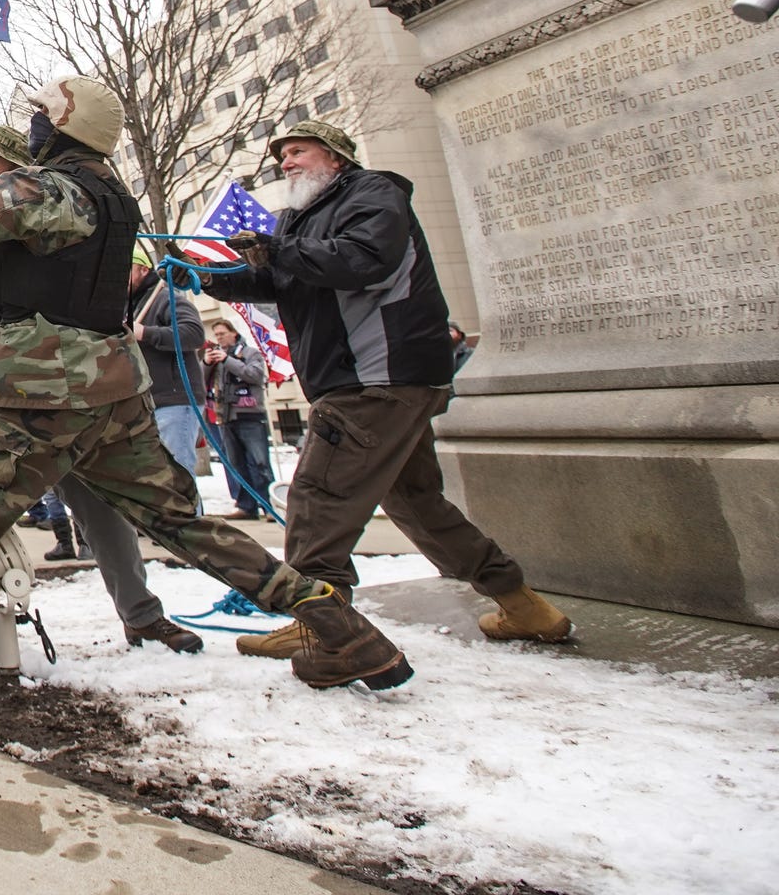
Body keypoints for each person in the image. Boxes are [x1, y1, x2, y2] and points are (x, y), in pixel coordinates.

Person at [0, 76, 414, 703]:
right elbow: (4, 214)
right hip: (112, 388)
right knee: (181, 523)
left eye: (40, 119)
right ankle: (342, 630)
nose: (33, 128)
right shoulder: (103, 190)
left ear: (64, 129)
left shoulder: (55, 188)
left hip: (44, 389)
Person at [197, 120, 574, 655]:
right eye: (282, 157)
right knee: (417, 504)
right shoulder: (298, 220)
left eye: (297, 152)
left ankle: (322, 625)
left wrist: (275, 250)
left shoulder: (374, 192)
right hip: (370, 378)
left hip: (376, 375)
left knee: (318, 498)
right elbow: (279, 282)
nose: (286, 164)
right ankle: (524, 605)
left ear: (334, 155)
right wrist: (212, 276)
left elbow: (363, 261)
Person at [0, 125, 203, 659]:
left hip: (46, 396)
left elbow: (0, 211)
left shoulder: (53, 221)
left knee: (101, 508)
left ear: (28, 175)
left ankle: (143, 617)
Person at [131, 247, 209, 513]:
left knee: (177, 474)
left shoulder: (165, 298)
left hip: (176, 400)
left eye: (125, 269)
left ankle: (192, 534)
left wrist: (146, 333)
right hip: (150, 402)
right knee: (156, 476)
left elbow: (194, 334)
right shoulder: (132, 306)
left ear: (143, 269)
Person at [204, 319, 273, 518]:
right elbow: (201, 381)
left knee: (259, 462)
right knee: (236, 463)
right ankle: (245, 505)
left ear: (233, 333)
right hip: (225, 415)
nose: (219, 338)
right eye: (216, 334)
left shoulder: (250, 353)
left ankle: (268, 505)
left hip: (249, 415)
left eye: (222, 333)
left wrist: (227, 360)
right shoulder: (216, 358)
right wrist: (207, 363)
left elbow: (255, 375)